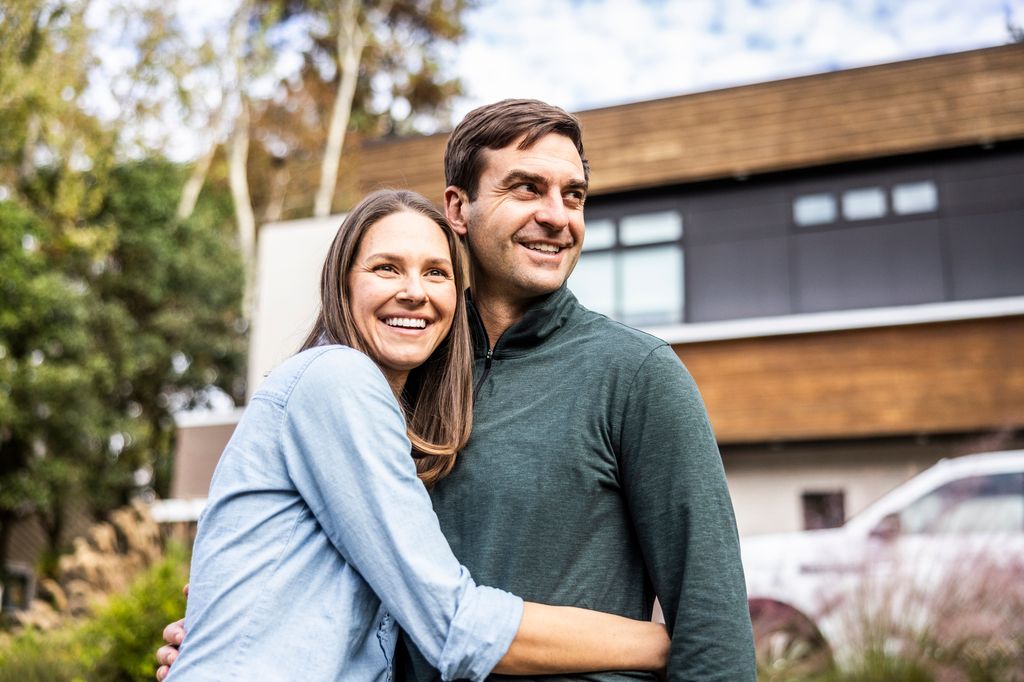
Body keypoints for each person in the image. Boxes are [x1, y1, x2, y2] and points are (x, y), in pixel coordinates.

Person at [160, 100, 756, 680]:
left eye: (573, 195)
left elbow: (712, 624)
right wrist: (233, 632)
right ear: (459, 207)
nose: (557, 215)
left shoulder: (638, 373)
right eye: (526, 187)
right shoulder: (394, 377)